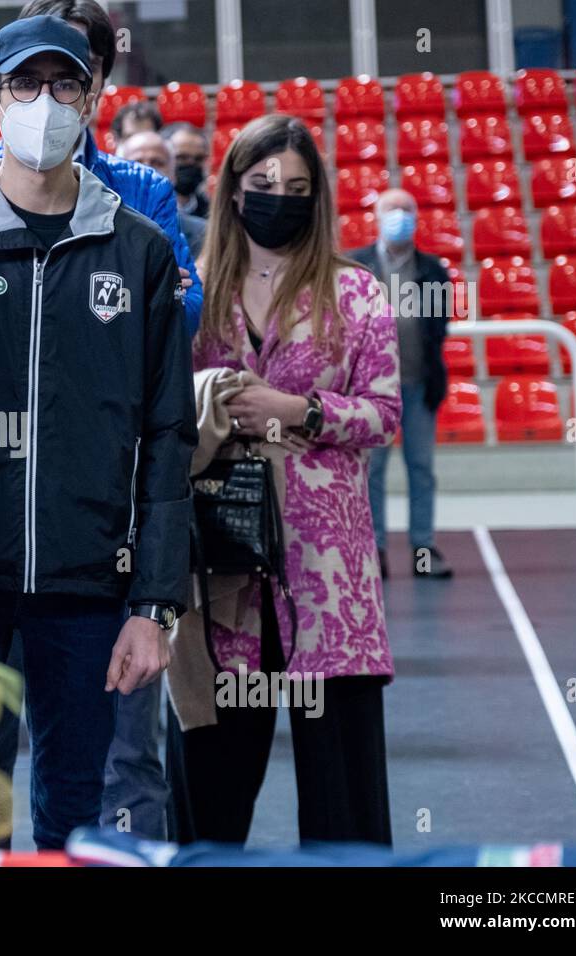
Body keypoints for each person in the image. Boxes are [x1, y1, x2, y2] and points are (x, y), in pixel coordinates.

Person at [0, 15, 195, 850]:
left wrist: (156, 604)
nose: (45, 103)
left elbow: (169, 433)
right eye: (25, 86)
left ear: (93, 95)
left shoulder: (136, 252)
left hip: (87, 590)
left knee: (74, 816)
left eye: (64, 85)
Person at [165, 114, 400, 846]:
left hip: (331, 579)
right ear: (233, 191)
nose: (280, 198)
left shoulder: (356, 293)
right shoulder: (191, 292)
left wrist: (297, 409)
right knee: (211, 787)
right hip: (224, 568)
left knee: (344, 795)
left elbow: (386, 414)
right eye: (263, 184)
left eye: (297, 187)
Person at [0, 0, 203, 337]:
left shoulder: (144, 188)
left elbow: (184, 312)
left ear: (97, 86)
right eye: (28, 79)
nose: (46, 100)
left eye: (75, 73)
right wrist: (131, 287)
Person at [349, 189, 453, 579]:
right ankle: (375, 552)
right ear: (377, 216)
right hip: (371, 390)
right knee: (372, 471)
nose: (400, 215)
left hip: (418, 385)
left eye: (407, 208)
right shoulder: (356, 265)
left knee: (421, 468)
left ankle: (423, 550)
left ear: (417, 216)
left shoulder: (432, 270)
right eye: (392, 209)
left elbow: (438, 329)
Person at [119, 130, 206, 257]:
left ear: (173, 175)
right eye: (136, 162)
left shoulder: (203, 236)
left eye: (157, 163)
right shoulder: (97, 232)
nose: (147, 170)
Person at [163, 122, 210, 218]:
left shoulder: (212, 213)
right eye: (182, 157)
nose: (191, 164)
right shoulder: (143, 210)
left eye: (198, 159)